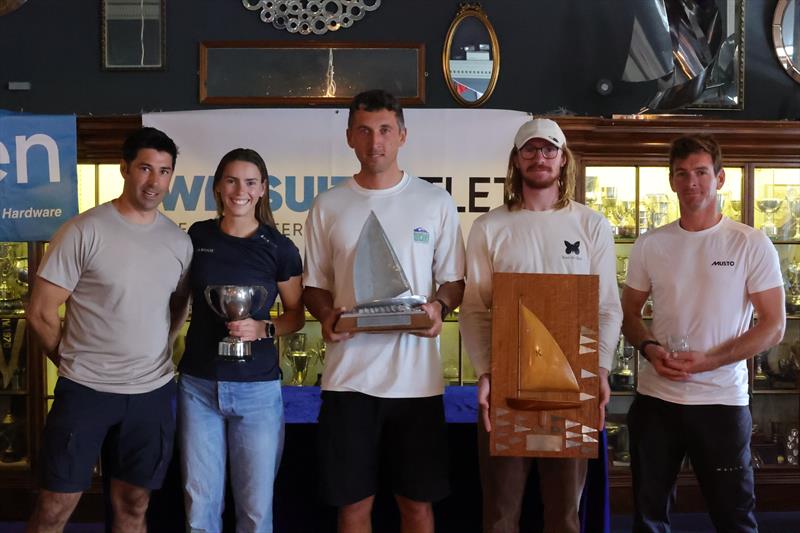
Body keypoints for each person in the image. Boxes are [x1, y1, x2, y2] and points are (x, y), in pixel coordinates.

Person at [303, 89, 465, 533]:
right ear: (350, 138)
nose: (375, 141)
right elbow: (314, 286)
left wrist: (438, 307)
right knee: (353, 507)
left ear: (402, 136)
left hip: (417, 386)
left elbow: (454, 281)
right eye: (365, 131)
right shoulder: (328, 205)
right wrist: (326, 317)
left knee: (417, 507)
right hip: (348, 382)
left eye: (385, 130)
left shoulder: (435, 202)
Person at [459, 118, 622, 533]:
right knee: (500, 515)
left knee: (565, 516)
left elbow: (606, 307)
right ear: (516, 160)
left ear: (563, 159)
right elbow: (476, 309)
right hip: (508, 387)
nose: (540, 158)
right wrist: (485, 372)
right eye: (529, 150)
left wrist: (600, 367)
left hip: (573, 386)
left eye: (549, 149)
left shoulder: (592, 225)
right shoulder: (489, 227)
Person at [26, 127, 193, 532]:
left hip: (150, 395)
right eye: (145, 169)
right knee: (55, 505)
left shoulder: (178, 242)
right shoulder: (84, 230)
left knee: (134, 505)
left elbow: (176, 312)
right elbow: (40, 313)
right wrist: (72, 362)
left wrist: (155, 354)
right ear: (125, 169)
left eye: (164, 172)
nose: (154, 182)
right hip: (85, 392)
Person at [621, 134, 785, 532]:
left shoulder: (750, 243)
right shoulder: (651, 244)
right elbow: (627, 313)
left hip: (721, 403)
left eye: (700, 172)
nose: (691, 182)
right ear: (672, 181)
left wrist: (711, 360)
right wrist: (647, 347)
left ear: (720, 178)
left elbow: (774, 325)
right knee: (648, 517)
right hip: (656, 400)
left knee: (733, 518)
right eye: (682, 173)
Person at [177, 148, 304, 532]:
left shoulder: (280, 248)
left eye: (250, 182)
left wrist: (263, 328)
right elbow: (178, 301)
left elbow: (296, 316)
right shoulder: (197, 236)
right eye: (231, 180)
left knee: (254, 511)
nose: (240, 190)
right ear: (218, 187)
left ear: (263, 189)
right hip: (199, 386)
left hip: (258, 392)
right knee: (199, 509)